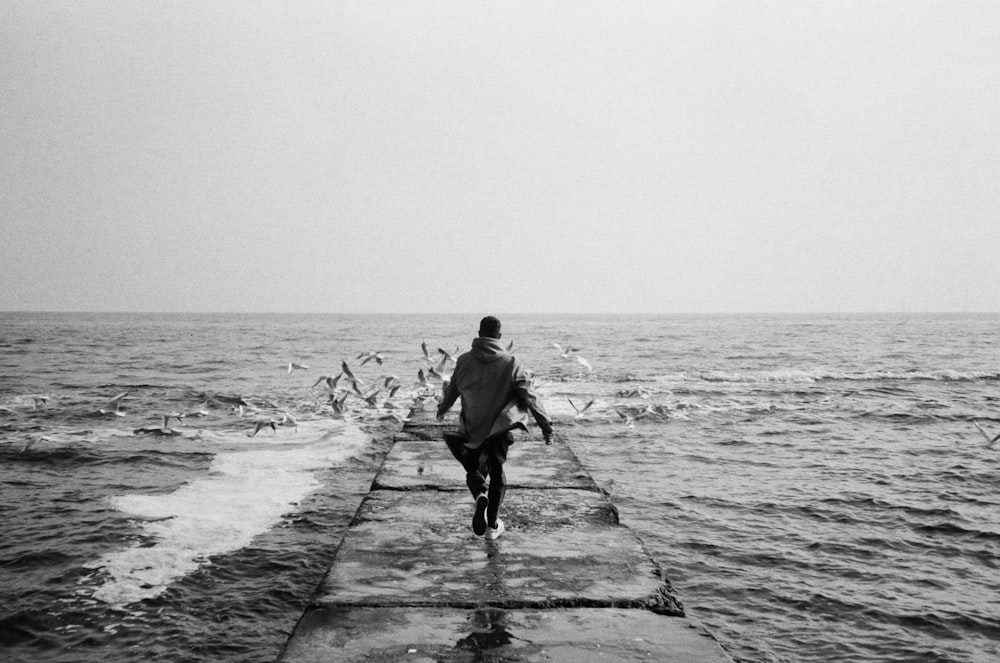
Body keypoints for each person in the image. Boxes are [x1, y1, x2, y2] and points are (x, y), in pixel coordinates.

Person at [436, 316, 554, 540]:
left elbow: (452, 390)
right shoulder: (511, 363)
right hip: (499, 428)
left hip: (472, 427)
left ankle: (480, 493)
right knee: (498, 473)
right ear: (499, 337)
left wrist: (443, 409)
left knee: (473, 471)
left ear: (479, 334)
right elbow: (530, 396)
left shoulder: (463, 361)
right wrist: (546, 426)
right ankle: (492, 525)